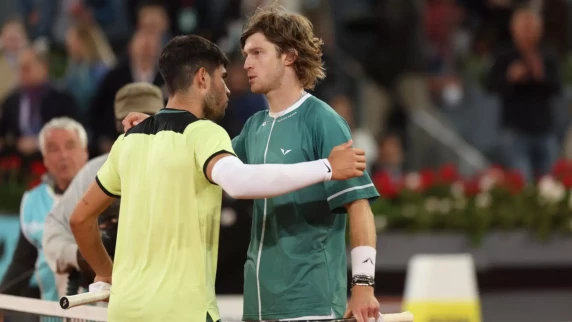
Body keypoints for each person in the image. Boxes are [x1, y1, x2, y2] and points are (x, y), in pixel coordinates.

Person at [70, 35, 366, 322]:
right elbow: (239, 182)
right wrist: (326, 167)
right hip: (183, 313)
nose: (227, 89)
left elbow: (80, 220)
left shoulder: (128, 141)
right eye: (222, 77)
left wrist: (106, 272)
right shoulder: (205, 133)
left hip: (124, 312)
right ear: (202, 78)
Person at [42, 83, 165, 295]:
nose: (140, 126)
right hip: (106, 303)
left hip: (162, 291)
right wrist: (84, 256)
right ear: (119, 125)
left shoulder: (179, 166)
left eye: (148, 120)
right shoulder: (95, 172)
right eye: (131, 120)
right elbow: (55, 229)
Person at [0, 117, 88, 301]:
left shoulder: (109, 196)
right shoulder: (32, 201)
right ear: (45, 159)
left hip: (98, 314)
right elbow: (23, 264)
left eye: (70, 146)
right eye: (53, 149)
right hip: (50, 313)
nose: (63, 155)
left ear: (85, 153)